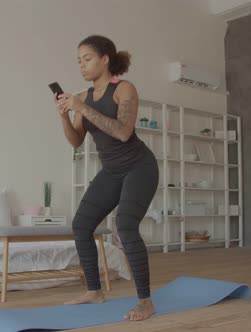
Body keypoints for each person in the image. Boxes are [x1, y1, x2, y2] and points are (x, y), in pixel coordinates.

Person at [54, 35, 159, 321]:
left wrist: (81, 107)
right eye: (78, 61)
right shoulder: (84, 97)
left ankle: (145, 301)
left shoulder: (124, 89)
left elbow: (124, 132)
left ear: (105, 60)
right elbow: (76, 141)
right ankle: (94, 291)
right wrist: (65, 115)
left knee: (125, 226)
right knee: (81, 225)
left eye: (87, 59)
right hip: (112, 170)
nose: (81, 66)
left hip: (139, 166)